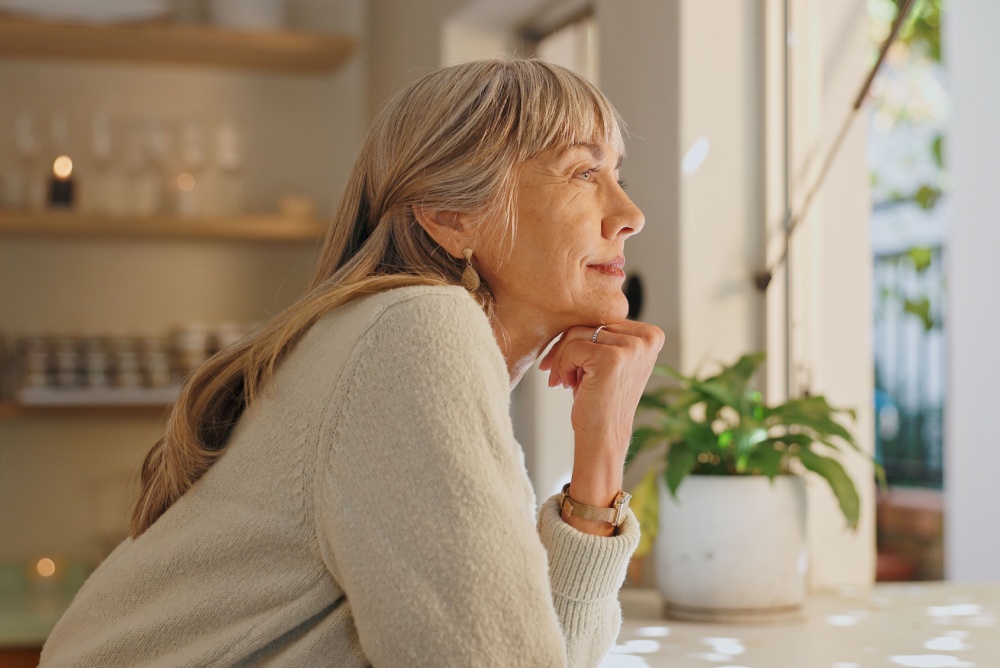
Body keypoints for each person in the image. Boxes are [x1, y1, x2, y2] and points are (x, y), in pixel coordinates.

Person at [40, 57, 664, 667]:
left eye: (619, 178)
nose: (629, 217)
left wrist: (601, 448)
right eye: (583, 173)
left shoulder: (401, 338)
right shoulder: (416, 328)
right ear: (452, 217)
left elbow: (549, 651)